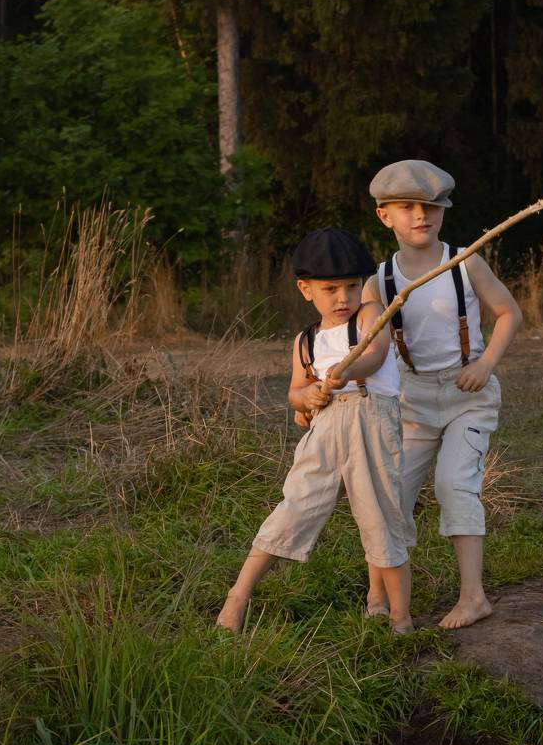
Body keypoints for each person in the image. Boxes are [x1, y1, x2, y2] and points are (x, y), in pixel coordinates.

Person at [216, 228, 413, 635]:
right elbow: (295, 392)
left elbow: (375, 356)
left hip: (370, 423)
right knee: (294, 507)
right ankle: (238, 595)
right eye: (330, 289)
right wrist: (306, 397)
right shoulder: (305, 341)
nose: (343, 298)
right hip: (324, 433)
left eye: (352, 286)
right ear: (306, 290)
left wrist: (346, 370)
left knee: (380, 518)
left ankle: (398, 617)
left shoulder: (369, 316)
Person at [364, 160, 522, 630]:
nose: (421, 215)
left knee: (455, 485)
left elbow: (509, 313)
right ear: (384, 216)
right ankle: (378, 591)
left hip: (466, 394)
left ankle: (474, 597)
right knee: (390, 494)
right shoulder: (379, 281)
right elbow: (367, 345)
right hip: (411, 401)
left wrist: (485, 363)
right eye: (407, 207)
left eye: (431, 207)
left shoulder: (464, 262)